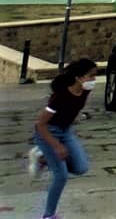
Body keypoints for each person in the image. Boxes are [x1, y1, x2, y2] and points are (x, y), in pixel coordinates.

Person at [28, 57, 96, 219]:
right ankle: (48, 215)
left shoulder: (85, 91)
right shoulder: (59, 97)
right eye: (90, 76)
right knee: (61, 176)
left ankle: (44, 158)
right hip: (48, 133)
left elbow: (74, 107)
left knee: (81, 168)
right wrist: (56, 146)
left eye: (95, 75)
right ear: (78, 78)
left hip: (65, 131)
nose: (93, 79)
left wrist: (77, 116)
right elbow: (41, 124)